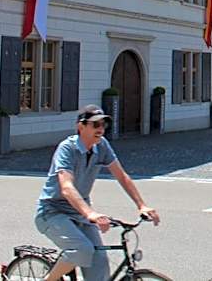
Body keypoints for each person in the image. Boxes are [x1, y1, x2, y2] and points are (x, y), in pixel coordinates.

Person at [35, 105, 160, 281]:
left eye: (103, 125)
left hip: (80, 212)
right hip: (52, 211)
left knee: (99, 262)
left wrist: (142, 205)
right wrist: (91, 213)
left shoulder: (101, 146)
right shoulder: (67, 149)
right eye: (95, 125)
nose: (100, 129)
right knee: (82, 249)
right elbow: (67, 187)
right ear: (81, 126)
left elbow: (121, 176)